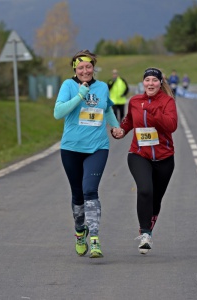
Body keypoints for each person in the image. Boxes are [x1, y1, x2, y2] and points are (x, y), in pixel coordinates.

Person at [54, 49, 123, 258]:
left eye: (88, 66)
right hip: (71, 148)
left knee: (90, 190)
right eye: (81, 67)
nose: (85, 70)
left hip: (97, 147)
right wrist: (81, 94)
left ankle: (94, 238)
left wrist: (114, 127)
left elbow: (108, 108)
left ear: (94, 67)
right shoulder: (68, 86)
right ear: (75, 68)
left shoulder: (102, 87)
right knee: (77, 194)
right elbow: (58, 112)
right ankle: (79, 231)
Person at [113, 67, 177, 254]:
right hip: (139, 154)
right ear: (143, 83)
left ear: (160, 83)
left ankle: (147, 227)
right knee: (145, 190)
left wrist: (153, 112)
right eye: (147, 80)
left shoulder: (167, 102)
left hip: (164, 158)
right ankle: (145, 234)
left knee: (156, 199)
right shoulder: (134, 101)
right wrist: (121, 131)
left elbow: (171, 125)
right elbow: (129, 121)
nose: (150, 83)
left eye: (154, 80)